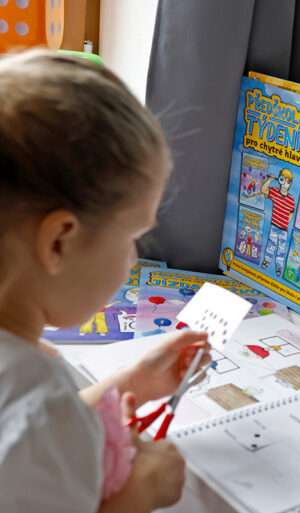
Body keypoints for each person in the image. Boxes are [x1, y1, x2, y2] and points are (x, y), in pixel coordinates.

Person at [0, 50, 211, 512]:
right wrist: (135, 498)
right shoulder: (39, 407)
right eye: (133, 236)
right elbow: (33, 425)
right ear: (59, 242)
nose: (135, 260)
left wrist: (127, 382)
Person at [261, 168, 296, 276]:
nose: (285, 184)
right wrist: (270, 180)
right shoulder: (275, 192)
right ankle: (267, 260)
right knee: (271, 245)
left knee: (281, 249)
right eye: (283, 180)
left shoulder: (291, 199)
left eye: (288, 181)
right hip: (274, 226)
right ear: (280, 180)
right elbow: (263, 190)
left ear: (290, 184)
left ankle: (279, 266)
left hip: (284, 229)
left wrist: (286, 221)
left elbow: (291, 212)